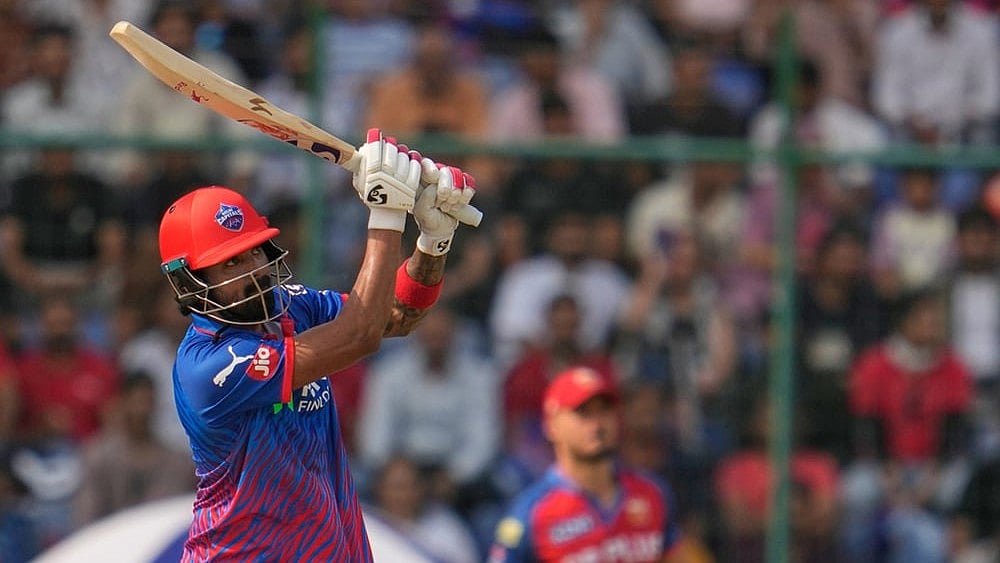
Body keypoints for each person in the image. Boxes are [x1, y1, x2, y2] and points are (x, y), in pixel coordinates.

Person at [157, 128, 476, 560]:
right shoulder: (210, 365)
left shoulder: (288, 305)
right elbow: (359, 336)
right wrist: (386, 214)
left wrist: (432, 241)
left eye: (254, 252)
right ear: (190, 283)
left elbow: (395, 316)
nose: (253, 271)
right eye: (230, 263)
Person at [488, 366, 684, 562]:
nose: (596, 424)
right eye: (583, 412)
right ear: (552, 425)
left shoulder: (651, 493)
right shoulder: (532, 512)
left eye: (604, 410)